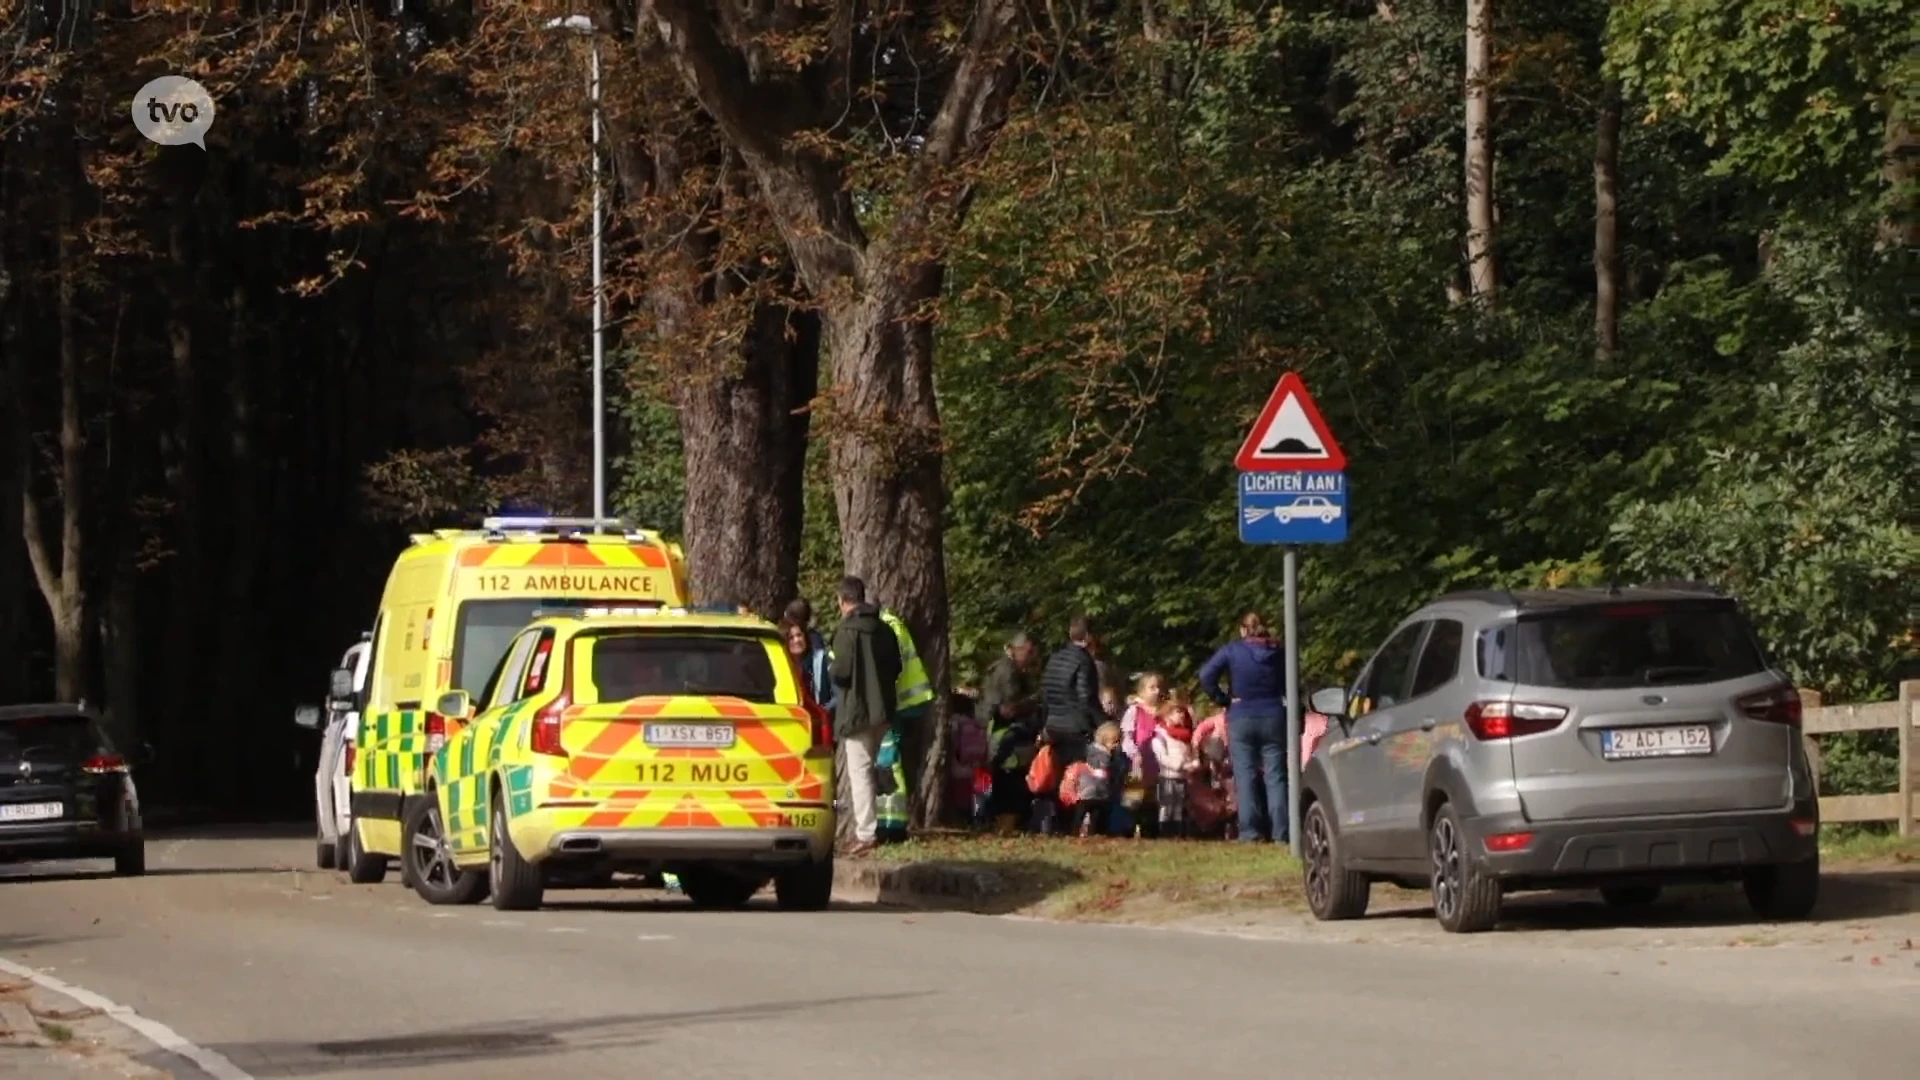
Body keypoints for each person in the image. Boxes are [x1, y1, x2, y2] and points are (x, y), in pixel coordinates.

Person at [1199, 610, 1289, 844]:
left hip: (1242, 716)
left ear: (1242, 630)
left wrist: (1223, 699)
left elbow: (1206, 675)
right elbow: (1291, 683)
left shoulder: (1232, 650)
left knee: (1245, 774)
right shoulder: (1278, 651)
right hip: (1273, 714)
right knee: (1276, 775)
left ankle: (1250, 832)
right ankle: (1281, 832)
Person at [829, 576, 901, 857]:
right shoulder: (883, 629)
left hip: (857, 710)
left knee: (860, 772)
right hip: (883, 709)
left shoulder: (847, 630)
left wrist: (832, 668)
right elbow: (896, 666)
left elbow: (841, 672)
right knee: (876, 767)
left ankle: (866, 833)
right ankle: (887, 823)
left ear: (842, 600)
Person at [978, 632, 1041, 833]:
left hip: (998, 731)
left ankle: (1001, 823)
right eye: (1028, 652)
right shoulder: (1008, 671)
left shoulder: (1006, 669)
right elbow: (1009, 707)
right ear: (1016, 649)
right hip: (1003, 733)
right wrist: (1036, 699)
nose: (1031, 657)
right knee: (1009, 780)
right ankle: (1003, 825)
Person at [1041, 614, 1104, 764]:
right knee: (1077, 776)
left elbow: (1045, 692)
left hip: (1053, 725)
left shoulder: (1054, 657)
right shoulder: (1084, 660)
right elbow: (1086, 697)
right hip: (1076, 728)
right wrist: (1102, 723)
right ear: (1089, 636)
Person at [781, 615, 836, 715]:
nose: (797, 640)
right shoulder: (780, 666)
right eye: (791, 638)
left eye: (799, 635)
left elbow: (837, 696)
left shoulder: (823, 660)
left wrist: (822, 712)